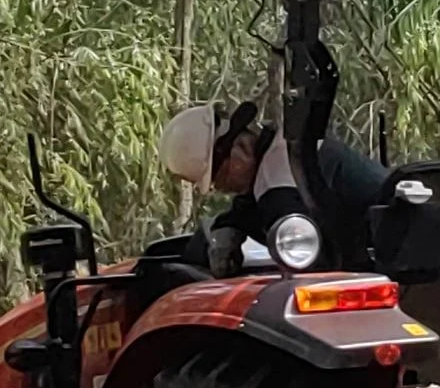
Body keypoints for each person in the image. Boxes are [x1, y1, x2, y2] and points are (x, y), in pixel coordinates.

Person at [157, 97, 393, 266]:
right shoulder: (285, 147)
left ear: (239, 148)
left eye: (219, 178)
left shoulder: (278, 188)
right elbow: (247, 207)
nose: (221, 188)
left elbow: (306, 260)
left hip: (385, 260)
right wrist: (227, 229)